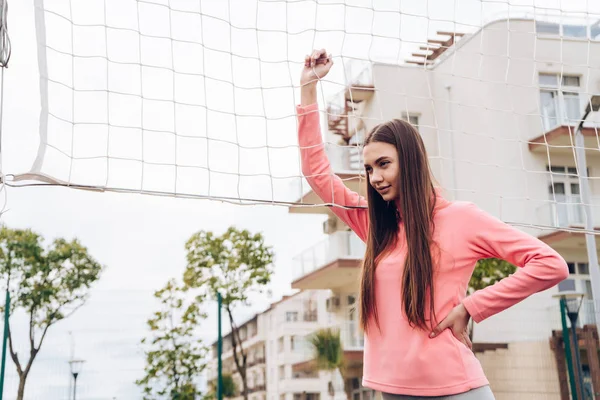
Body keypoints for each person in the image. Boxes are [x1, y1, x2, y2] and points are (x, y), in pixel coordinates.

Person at [296, 49, 569, 400]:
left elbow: (551, 264)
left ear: (409, 162)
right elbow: (316, 172)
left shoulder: (460, 218)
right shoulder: (376, 226)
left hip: (456, 387)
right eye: (368, 169)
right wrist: (308, 89)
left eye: (383, 164)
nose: (375, 177)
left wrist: (472, 307)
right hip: (391, 387)